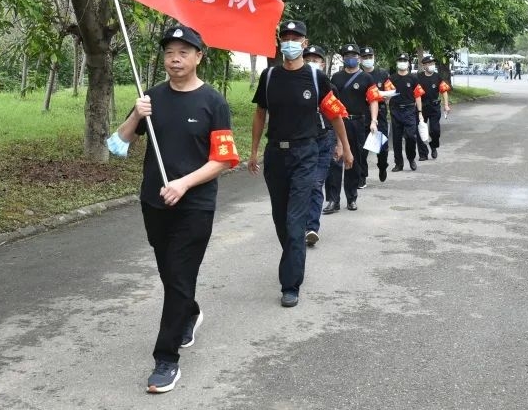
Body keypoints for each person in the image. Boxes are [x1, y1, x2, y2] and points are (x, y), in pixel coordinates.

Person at [106, 25, 239, 394]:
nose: (175, 59)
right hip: (154, 201)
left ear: (199, 56)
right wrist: (136, 113)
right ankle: (189, 313)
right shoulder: (152, 98)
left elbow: (224, 161)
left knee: (179, 274)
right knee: (169, 272)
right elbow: (117, 145)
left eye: (184, 52)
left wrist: (184, 183)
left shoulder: (213, 102)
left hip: (194, 204)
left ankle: (166, 360)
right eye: (169, 53)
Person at [250, 20, 352, 308]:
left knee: (296, 221)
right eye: (286, 37)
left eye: (297, 38)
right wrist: (254, 150)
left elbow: (334, 114)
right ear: (279, 41)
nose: (291, 42)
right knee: (281, 220)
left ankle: (290, 284)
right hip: (275, 155)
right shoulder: (269, 76)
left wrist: (343, 146)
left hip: (305, 154)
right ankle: (293, 258)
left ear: (305, 44)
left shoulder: (316, 78)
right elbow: (260, 114)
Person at [326, 43, 380, 206]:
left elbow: (373, 100)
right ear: (343, 58)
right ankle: (333, 200)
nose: (351, 59)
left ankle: (351, 197)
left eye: (354, 56)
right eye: (347, 56)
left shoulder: (366, 78)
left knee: (353, 160)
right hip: (337, 123)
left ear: (359, 58)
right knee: (335, 161)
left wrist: (373, 120)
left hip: (357, 123)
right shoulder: (335, 78)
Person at [303, 44, 340, 245]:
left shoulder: (329, 87)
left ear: (322, 63)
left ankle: (311, 227)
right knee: (300, 186)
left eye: (315, 60)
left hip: (323, 141)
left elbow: (336, 117)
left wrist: (341, 144)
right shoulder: (295, 85)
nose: (311, 63)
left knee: (316, 184)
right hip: (300, 143)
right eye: (307, 59)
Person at [387, 52, 424, 172]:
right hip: (395, 110)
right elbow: (387, 95)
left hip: (409, 110)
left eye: (404, 61)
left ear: (408, 63)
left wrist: (419, 112)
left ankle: (411, 158)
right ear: (397, 63)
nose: (402, 63)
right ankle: (398, 163)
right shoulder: (391, 79)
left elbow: (418, 96)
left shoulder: (413, 78)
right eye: (400, 61)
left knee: (411, 137)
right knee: (396, 139)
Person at [360, 46, 390, 182]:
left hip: (380, 114)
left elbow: (390, 92)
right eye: (364, 58)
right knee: (361, 149)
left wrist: (381, 96)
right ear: (360, 59)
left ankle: (382, 166)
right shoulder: (357, 74)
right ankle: (362, 175)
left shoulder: (383, 74)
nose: (367, 60)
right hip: (362, 114)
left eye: (369, 57)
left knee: (382, 149)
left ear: (374, 57)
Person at [415, 54, 451, 160]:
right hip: (422, 106)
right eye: (429, 63)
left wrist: (446, 105)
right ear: (424, 65)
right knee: (421, 130)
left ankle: (433, 146)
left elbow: (444, 91)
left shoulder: (437, 77)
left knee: (435, 130)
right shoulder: (419, 77)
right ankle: (423, 154)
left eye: (432, 63)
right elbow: (416, 93)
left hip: (434, 107)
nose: (431, 65)